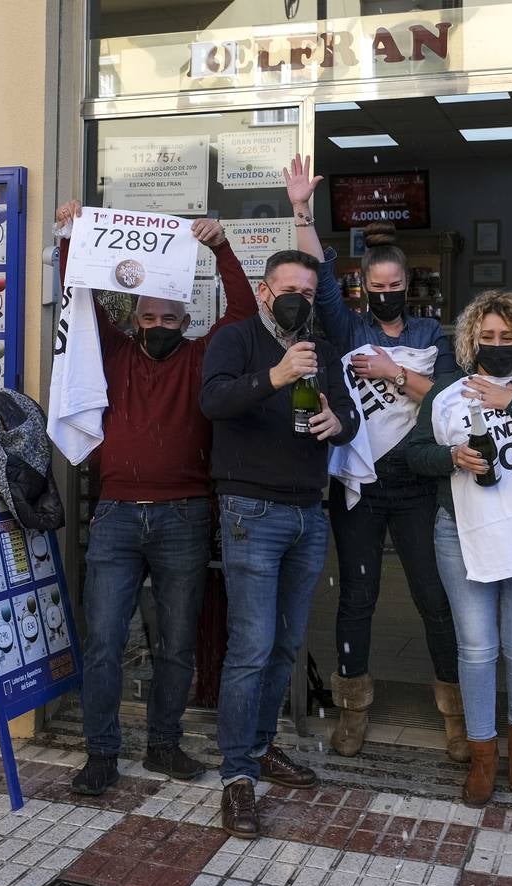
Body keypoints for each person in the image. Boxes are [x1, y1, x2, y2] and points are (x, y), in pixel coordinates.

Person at [53, 200, 259, 797]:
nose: (160, 326)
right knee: (104, 641)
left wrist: (220, 247)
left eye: (172, 317)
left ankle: (164, 744)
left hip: (186, 516)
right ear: (137, 316)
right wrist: (72, 234)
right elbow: (81, 299)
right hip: (116, 514)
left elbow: (244, 310)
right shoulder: (114, 353)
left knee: (176, 641)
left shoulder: (201, 356)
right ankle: (101, 753)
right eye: (150, 316)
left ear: (186, 318)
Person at [282, 154, 467, 762]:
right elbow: (321, 278)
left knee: (431, 597)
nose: (386, 296)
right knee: (357, 596)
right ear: (366, 287)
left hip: (416, 482)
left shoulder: (433, 339)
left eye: (395, 288)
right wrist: (301, 210)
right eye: (376, 288)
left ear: (409, 287)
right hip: (359, 484)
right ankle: (353, 710)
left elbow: (449, 400)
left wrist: (392, 372)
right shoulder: (349, 327)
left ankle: (456, 716)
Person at [199, 248, 359, 839]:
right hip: (250, 510)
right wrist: (277, 376)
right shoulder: (236, 338)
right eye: (287, 289)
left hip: (308, 513)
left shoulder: (325, 348)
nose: (297, 301)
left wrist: (338, 422)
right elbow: (212, 401)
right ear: (266, 291)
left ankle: (262, 746)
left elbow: (351, 413)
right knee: (251, 646)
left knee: (287, 645)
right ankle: (236, 776)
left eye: (308, 294)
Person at [406, 291, 512, 807]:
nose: (498, 346)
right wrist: (452, 457)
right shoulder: (446, 394)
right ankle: (484, 755)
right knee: (477, 651)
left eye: (508, 337)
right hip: (460, 534)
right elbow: (416, 456)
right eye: (488, 338)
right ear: (470, 341)